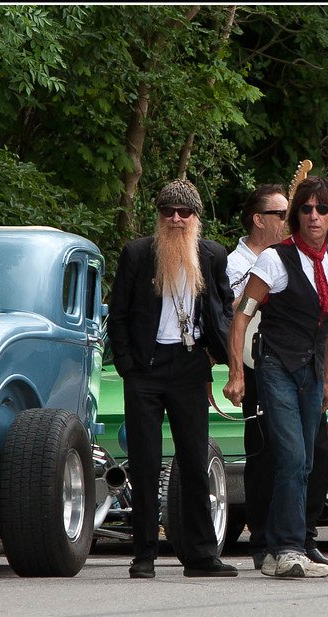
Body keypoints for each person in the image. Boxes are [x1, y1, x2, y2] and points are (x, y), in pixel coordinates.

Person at [108, 178, 238, 579]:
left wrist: (217, 356)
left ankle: (200, 556)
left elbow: (225, 309)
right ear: (159, 215)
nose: (177, 219)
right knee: (145, 462)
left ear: (197, 218)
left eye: (185, 213)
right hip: (146, 369)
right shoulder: (138, 254)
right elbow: (119, 314)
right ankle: (143, 555)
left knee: (195, 460)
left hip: (188, 366)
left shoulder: (213, 255)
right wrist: (129, 366)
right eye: (169, 212)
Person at [223, 175, 328, 579]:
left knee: (309, 459)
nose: (314, 216)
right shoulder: (274, 259)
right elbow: (240, 318)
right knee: (292, 456)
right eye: (306, 209)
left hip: (311, 370)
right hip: (276, 365)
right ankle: (287, 547)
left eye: (322, 210)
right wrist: (237, 374)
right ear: (296, 215)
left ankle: (287, 545)